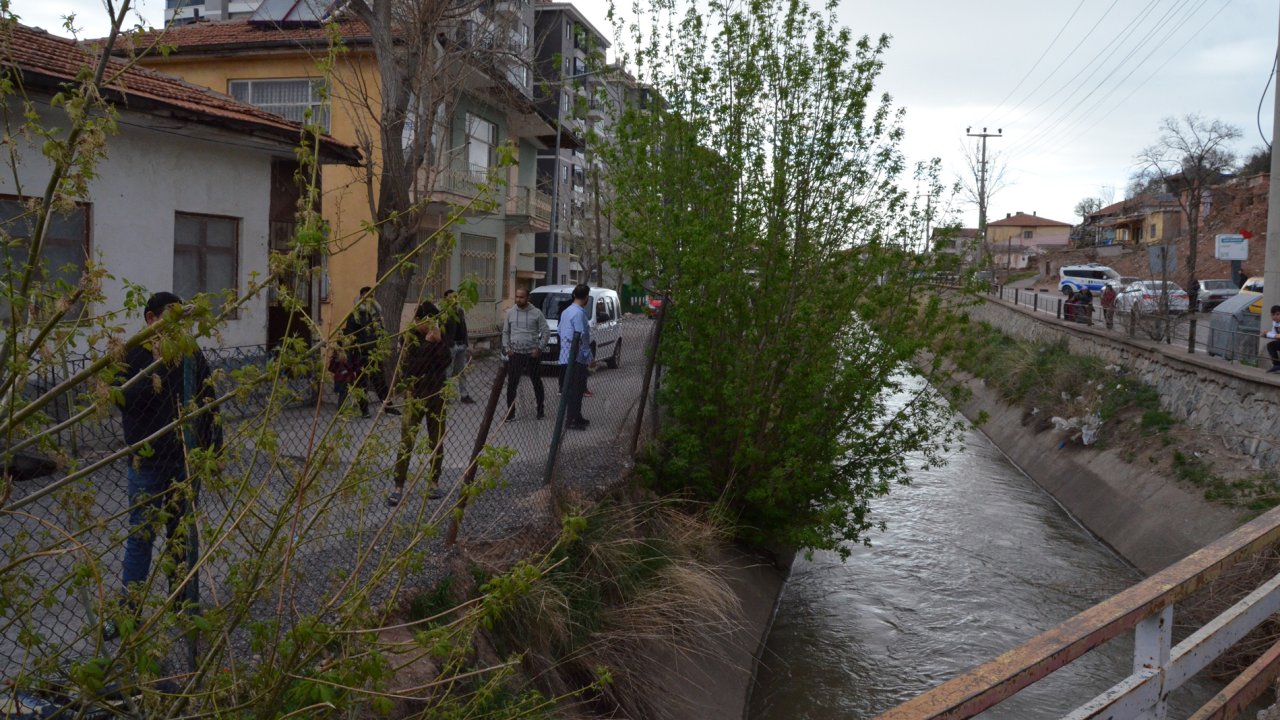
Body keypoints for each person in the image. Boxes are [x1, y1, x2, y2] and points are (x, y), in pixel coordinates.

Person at [118, 292, 221, 615]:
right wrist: (158, 368)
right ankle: (129, 611)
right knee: (141, 537)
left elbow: (208, 400)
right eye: (172, 317)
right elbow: (127, 401)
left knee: (181, 535)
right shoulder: (132, 354)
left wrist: (214, 449)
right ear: (151, 318)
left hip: (183, 459)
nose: (179, 326)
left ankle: (182, 603)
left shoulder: (189, 352)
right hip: (147, 461)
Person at [389, 299, 454, 506]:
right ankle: (398, 486)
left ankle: (434, 483)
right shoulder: (408, 338)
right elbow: (413, 368)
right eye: (429, 321)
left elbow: (446, 361)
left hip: (437, 394)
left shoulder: (439, 334)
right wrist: (428, 343)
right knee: (407, 441)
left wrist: (438, 342)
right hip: (415, 396)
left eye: (435, 321)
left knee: (436, 441)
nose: (433, 324)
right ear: (418, 320)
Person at [343, 286, 399, 417]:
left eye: (371, 296)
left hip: (375, 353)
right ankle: (364, 410)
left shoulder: (375, 315)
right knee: (361, 383)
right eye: (367, 296)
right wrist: (350, 357)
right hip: (361, 354)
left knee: (380, 381)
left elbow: (380, 332)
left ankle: (388, 407)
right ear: (361, 297)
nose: (369, 299)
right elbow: (349, 336)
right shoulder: (355, 315)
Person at [502, 288, 550, 420]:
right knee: (512, 384)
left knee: (536, 382)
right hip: (515, 354)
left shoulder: (536, 313)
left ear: (528, 298)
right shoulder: (511, 313)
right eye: (517, 297)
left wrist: (539, 348)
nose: (518, 299)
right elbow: (505, 332)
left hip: (532, 354)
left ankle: (540, 410)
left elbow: (546, 332)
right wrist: (507, 349)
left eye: (521, 297)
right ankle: (510, 413)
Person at [558, 284, 595, 430]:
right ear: (586, 297)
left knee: (573, 389)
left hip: (565, 356)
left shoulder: (566, 312)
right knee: (576, 390)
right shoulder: (579, 314)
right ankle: (572, 419)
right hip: (576, 357)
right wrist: (589, 357)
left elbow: (560, 330)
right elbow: (582, 337)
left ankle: (576, 416)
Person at [442, 289, 474, 404]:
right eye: (450, 297)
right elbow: (442, 331)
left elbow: (464, 327)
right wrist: (449, 343)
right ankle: (446, 396)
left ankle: (464, 395)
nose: (454, 299)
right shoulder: (444, 312)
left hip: (461, 345)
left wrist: (466, 342)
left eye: (455, 297)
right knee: (448, 372)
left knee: (462, 371)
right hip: (451, 346)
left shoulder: (460, 311)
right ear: (446, 299)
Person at [1263, 305, 1280, 373]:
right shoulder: (1275, 323)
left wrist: (1268, 334)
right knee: (1270, 345)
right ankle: (1277, 365)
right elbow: (1274, 334)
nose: (1275, 317)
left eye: (1277, 314)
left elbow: (1278, 336)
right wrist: (1265, 334)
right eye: (1273, 315)